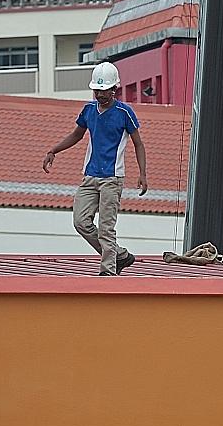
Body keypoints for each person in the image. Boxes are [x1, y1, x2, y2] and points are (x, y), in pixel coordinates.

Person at [42, 62, 149, 276]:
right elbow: (77, 135)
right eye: (97, 90)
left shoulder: (124, 112)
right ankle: (119, 255)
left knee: (106, 228)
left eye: (104, 91)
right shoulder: (89, 110)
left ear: (114, 89)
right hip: (90, 176)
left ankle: (108, 271)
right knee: (81, 221)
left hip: (112, 177)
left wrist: (142, 174)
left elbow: (138, 143)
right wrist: (54, 150)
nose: (99, 95)